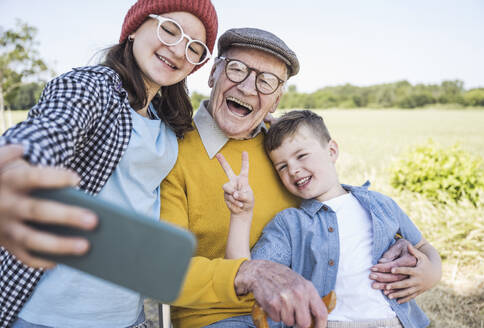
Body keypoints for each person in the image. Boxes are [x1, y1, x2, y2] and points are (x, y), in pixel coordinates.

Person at [160, 28, 419, 328]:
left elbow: (332, 212)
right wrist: (250, 273)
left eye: (266, 81)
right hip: (218, 318)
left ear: (276, 100)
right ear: (213, 73)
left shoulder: (282, 152)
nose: (247, 88)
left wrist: (411, 253)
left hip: (296, 315)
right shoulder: (171, 152)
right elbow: (165, 270)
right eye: (236, 69)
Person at [0, 0, 218, 327]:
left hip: (125, 316)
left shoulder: (167, 120)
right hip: (49, 313)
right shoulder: (96, 86)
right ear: (133, 29)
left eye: (194, 48)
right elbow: (50, 130)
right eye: (169, 30)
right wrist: (16, 168)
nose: (177, 50)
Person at [217, 110, 442, 328]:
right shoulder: (290, 223)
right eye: (282, 166)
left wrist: (432, 273)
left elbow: (422, 245)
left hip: (394, 320)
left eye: (301, 155)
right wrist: (241, 215)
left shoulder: (379, 204)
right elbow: (244, 273)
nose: (293, 169)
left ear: (331, 151)